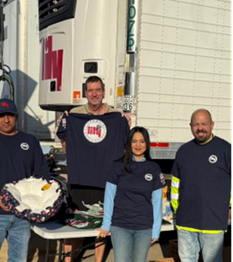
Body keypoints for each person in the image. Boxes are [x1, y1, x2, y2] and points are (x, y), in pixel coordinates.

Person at [57, 75, 131, 262]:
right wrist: (65, 122)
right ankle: (68, 260)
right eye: (90, 91)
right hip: (79, 178)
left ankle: (98, 261)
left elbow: (125, 146)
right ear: (86, 93)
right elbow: (65, 144)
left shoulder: (116, 116)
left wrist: (124, 123)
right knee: (73, 223)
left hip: (106, 179)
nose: (94, 94)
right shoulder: (74, 114)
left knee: (101, 224)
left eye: (98, 90)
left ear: (104, 92)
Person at [0, 98, 50, 262]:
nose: (6, 120)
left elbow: (42, 173)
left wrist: (42, 198)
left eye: (10, 115)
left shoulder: (30, 141)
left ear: (16, 116)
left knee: (18, 259)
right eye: (1, 116)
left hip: (22, 214)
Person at [171, 109, 233, 262]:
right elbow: (174, 185)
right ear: (190, 126)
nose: (200, 128)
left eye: (204, 124)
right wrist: (177, 210)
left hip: (213, 222)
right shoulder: (183, 151)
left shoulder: (226, 150)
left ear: (212, 125)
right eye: (196, 124)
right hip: (186, 222)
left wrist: (230, 207)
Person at [96, 126, 165, 262]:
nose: (138, 145)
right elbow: (109, 197)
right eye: (134, 141)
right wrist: (106, 224)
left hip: (144, 227)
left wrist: (156, 229)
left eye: (142, 141)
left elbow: (157, 202)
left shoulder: (154, 168)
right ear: (129, 143)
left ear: (147, 143)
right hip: (121, 225)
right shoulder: (117, 166)